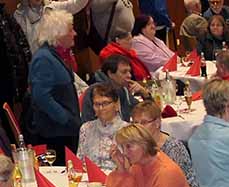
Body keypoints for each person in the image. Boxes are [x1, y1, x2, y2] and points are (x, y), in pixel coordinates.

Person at [29, 11, 83, 154]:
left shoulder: (56, 55)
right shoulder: (44, 59)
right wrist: (65, 119)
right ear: (58, 34)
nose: (75, 33)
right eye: (71, 29)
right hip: (55, 134)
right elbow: (41, 97)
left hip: (64, 131)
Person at [81, 54, 144, 123]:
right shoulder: (93, 91)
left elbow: (142, 111)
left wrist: (144, 93)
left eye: (129, 71)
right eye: (124, 72)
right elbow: (88, 121)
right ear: (110, 74)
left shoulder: (123, 90)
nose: (129, 75)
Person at [78, 85, 128, 171]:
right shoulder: (86, 128)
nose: (101, 108)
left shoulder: (128, 130)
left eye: (105, 103)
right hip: (90, 180)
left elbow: (133, 166)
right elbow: (79, 160)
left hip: (117, 179)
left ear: (116, 105)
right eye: (97, 104)